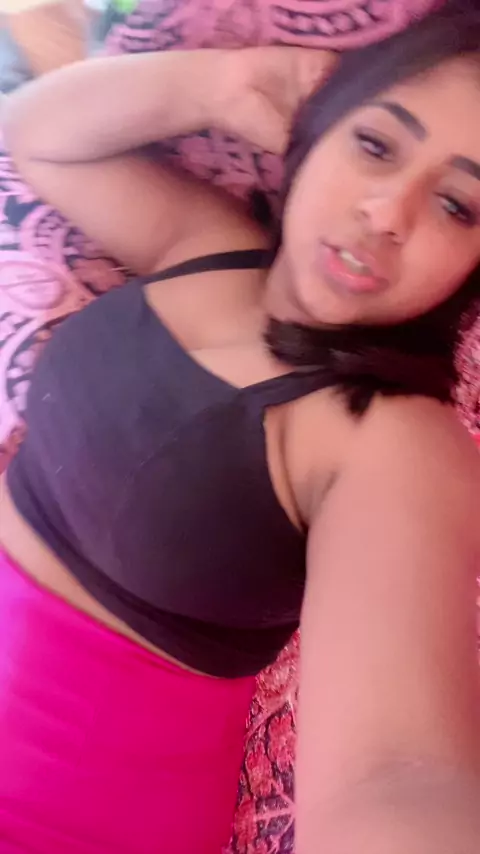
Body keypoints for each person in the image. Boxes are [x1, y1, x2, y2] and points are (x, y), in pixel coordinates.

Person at [1, 2, 480, 852]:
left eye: (456, 205)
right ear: (316, 133)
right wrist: (225, 82)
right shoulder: (209, 247)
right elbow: (35, 133)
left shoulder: (396, 439)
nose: (387, 212)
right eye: (375, 145)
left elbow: (398, 776)